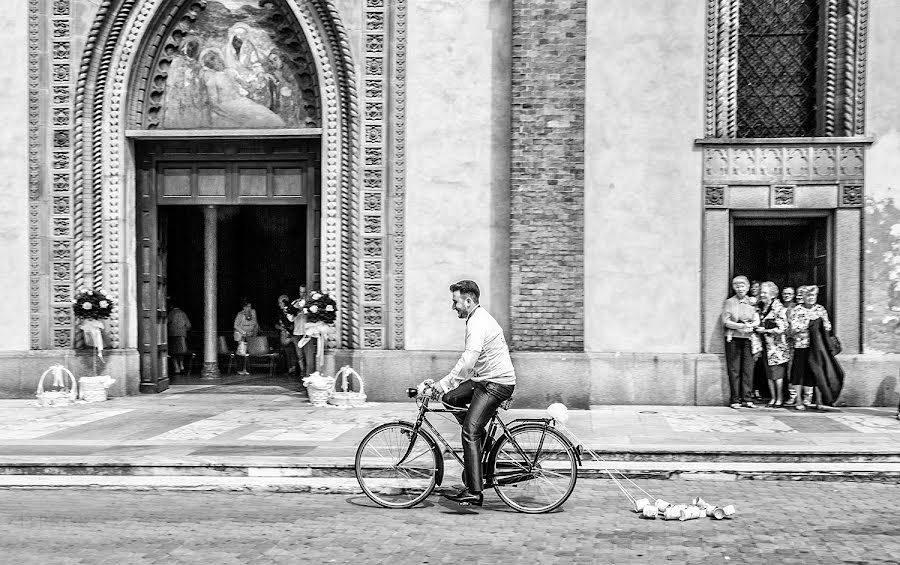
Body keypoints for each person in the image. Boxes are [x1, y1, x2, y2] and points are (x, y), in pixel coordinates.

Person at [419, 280, 515, 507]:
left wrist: (442, 384)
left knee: (469, 431)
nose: (454, 307)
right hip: (484, 379)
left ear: (469, 301)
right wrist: (445, 389)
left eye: (456, 302)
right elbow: (469, 367)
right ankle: (483, 441)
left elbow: (468, 361)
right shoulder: (476, 319)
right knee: (450, 398)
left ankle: (474, 491)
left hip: (496, 383)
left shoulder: (477, 323)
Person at [788, 286, 843, 410]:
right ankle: (799, 401)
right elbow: (793, 328)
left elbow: (827, 326)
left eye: (813, 296)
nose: (811, 298)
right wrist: (810, 325)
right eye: (808, 296)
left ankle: (818, 401)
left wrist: (819, 326)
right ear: (804, 297)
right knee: (799, 373)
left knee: (817, 373)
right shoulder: (797, 310)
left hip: (817, 347)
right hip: (802, 345)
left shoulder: (820, 309)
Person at [722, 275, 759, 409]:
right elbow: (725, 321)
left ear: (748, 287)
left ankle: (747, 398)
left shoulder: (752, 302)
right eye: (737, 286)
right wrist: (740, 326)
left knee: (748, 369)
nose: (740, 288)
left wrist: (752, 325)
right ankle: (735, 399)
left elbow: (756, 317)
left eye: (742, 286)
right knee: (734, 369)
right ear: (734, 288)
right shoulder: (729, 302)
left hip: (748, 339)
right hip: (733, 339)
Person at [754, 282, 789, 407]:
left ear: (772, 294)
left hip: (777, 347)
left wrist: (766, 330)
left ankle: (779, 398)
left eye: (765, 293)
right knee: (769, 373)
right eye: (761, 292)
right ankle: (773, 398)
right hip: (766, 346)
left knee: (777, 374)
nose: (762, 295)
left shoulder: (779, 308)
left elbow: (783, 328)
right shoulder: (761, 308)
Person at [290, 284, 316, 378]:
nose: (302, 294)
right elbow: (290, 319)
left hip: (307, 333)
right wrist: (294, 311)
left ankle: (308, 375)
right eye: (301, 292)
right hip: (297, 332)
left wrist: (306, 311)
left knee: (308, 357)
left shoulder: (312, 304)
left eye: (304, 292)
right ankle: (302, 373)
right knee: (300, 356)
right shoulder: (295, 303)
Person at [233, 298, 259, 376]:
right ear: (244, 307)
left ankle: (247, 369)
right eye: (247, 306)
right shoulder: (240, 314)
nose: (249, 308)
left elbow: (255, 324)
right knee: (241, 352)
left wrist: (255, 333)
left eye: (250, 306)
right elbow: (235, 325)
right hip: (242, 335)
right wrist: (244, 333)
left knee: (248, 352)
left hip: (251, 336)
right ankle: (240, 369)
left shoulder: (253, 313)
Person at [275, 294, 298, 376]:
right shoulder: (279, 313)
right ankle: (289, 368)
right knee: (287, 352)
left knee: (294, 352)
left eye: (280, 303)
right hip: (284, 334)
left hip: (292, 334)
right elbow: (276, 324)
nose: (279, 304)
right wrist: (282, 328)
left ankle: (295, 368)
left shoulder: (291, 311)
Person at [167, 303, 192, 375]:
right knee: (181, 352)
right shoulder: (183, 313)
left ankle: (176, 368)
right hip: (182, 335)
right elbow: (188, 325)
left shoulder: (171, 313)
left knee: (173, 352)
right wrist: (183, 330)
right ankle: (182, 366)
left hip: (172, 335)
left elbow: (165, 322)